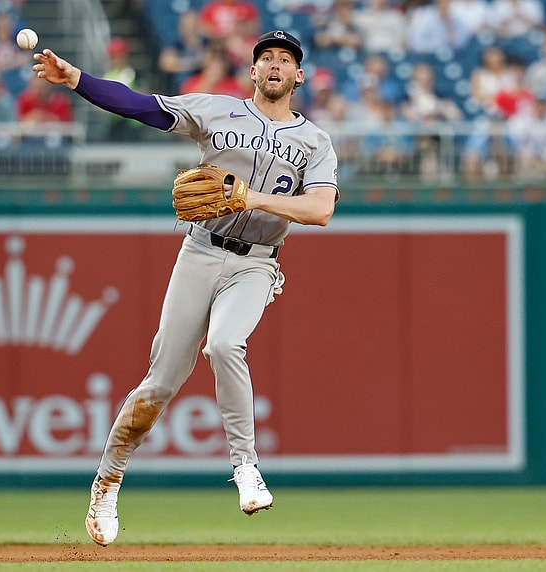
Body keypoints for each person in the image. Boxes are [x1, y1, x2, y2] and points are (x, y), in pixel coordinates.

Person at [32, 29, 338, 547]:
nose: (275, 66)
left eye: (285, 60)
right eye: (266, 58)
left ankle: (245, 467)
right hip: (200, 250)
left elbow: (321, 210)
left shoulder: (315, 142)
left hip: (256, 264)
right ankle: (107, 481)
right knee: (159, 384)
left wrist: (251, 199)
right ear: (253, 71)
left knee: (224, 344)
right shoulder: (218, 111)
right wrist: (77, 80)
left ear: (298, 75)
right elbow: (141, 106)